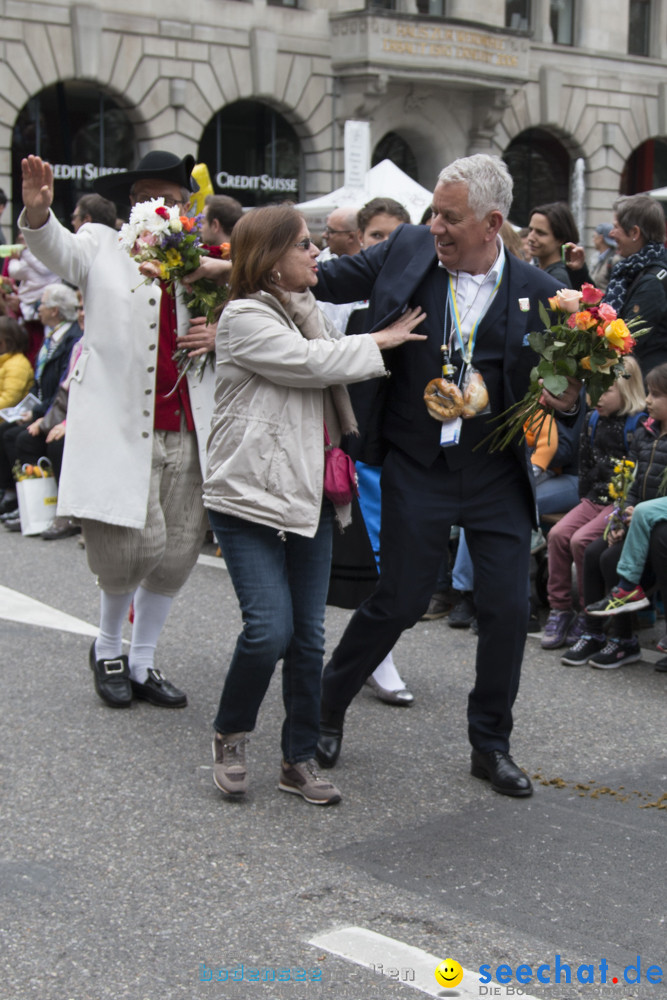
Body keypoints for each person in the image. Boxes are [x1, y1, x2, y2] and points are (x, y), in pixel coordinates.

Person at [312, 153, 581, 798]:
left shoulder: (542, 293)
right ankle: (324, 708)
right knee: (401, 599)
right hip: (418, 461)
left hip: (494, 471)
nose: (434, 224)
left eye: (449, 216)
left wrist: (566, 395)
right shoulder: (406, 250)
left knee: (507, 606)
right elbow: (325, 280)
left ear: (492, 223)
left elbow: (571, 390)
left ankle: (490, 743)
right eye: (433, 210)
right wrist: (224, 265)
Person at [203, 204, 426, 805]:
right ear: (272, 258)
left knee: (307, 638)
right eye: (305, 244)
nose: (317, 254)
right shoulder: (245, 318)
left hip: (311, 494)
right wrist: (379, 339)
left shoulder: (308, 315)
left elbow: (328, 351)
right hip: (248, 495)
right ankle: (231, 732)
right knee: (269, 630)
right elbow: (311, 365)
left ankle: (297, 759)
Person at [19, 151, 217, 710]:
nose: (165, 207)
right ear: (133, 203)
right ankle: (108, 647)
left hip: (187, 422)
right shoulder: (102, 246)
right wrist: (38, 213)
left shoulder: (197, 256)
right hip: (121, 422)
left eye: (175, 199)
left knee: (177, 549)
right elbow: (55, 246)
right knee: (129, 545)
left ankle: (143, 658)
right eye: (152, 197)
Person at [539, 356, 646, 652]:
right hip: (593, 499)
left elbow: (638, 476)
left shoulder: (637, 426)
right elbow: (585, 466)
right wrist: (584, 501)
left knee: (581, 541)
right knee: (558, 534)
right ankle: (560, 609)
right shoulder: (592, 420)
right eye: (593, 389)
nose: (596, 397)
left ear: (627, 389)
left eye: (606, 390)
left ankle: (591, 614)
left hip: (620, 504)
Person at [564, 361, 667, 668]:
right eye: (648, 393)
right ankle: (597, 633)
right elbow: (632, 483)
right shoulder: (647, 433)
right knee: (595, 551)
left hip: (658, 528)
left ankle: (624, 639)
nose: (648, 400)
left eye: (657, 395)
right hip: (638, 524)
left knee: (611, 559)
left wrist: (639, 514)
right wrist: (621, 517)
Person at [0, 282, 81, 525]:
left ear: (55, 310)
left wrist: (40, 416)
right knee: (9, 431)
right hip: (47, 409)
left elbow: (62, 387)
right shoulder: (52, 339)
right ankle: (21, 499)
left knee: (23, 437)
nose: (38, 309)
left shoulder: (71, 339)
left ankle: (52, 507)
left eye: (42, 304)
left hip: (60, 413)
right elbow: (39, 383)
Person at [569, 195, 667, 377]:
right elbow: (604, 313)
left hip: (642, 388)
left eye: (616, 227)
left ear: (635, 233)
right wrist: (579, 272)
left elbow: (625, 342)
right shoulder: (632, 270)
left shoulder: (652, 281)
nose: (611, 234)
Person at [526, 202, 581, 287]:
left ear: (560, 239)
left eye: (540, 233)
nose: (531, 238)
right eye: (530, 230)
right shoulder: (535, 269)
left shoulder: (558, 278)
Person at [589, 222, 617, 292]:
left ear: (600, 238)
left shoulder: (614, 260)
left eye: (594, 236)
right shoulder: (598, 257)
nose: (593, 240)